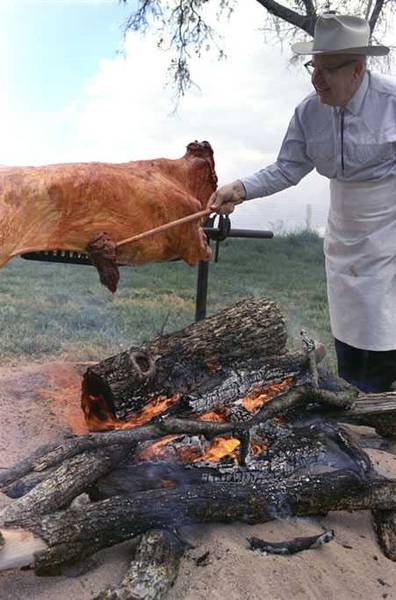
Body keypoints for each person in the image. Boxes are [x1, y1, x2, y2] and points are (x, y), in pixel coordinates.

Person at [209, 13, 396, 393]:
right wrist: (240, 189)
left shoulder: (392, 102)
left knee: (385, 316)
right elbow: (286, 169)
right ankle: (357, 398)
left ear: (357, 70)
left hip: (390, 221)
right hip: (344, 225)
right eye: (314, 66)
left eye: (327, 69)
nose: (316, 78)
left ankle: (383, 403)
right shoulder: (309, 112)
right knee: (350, 315)